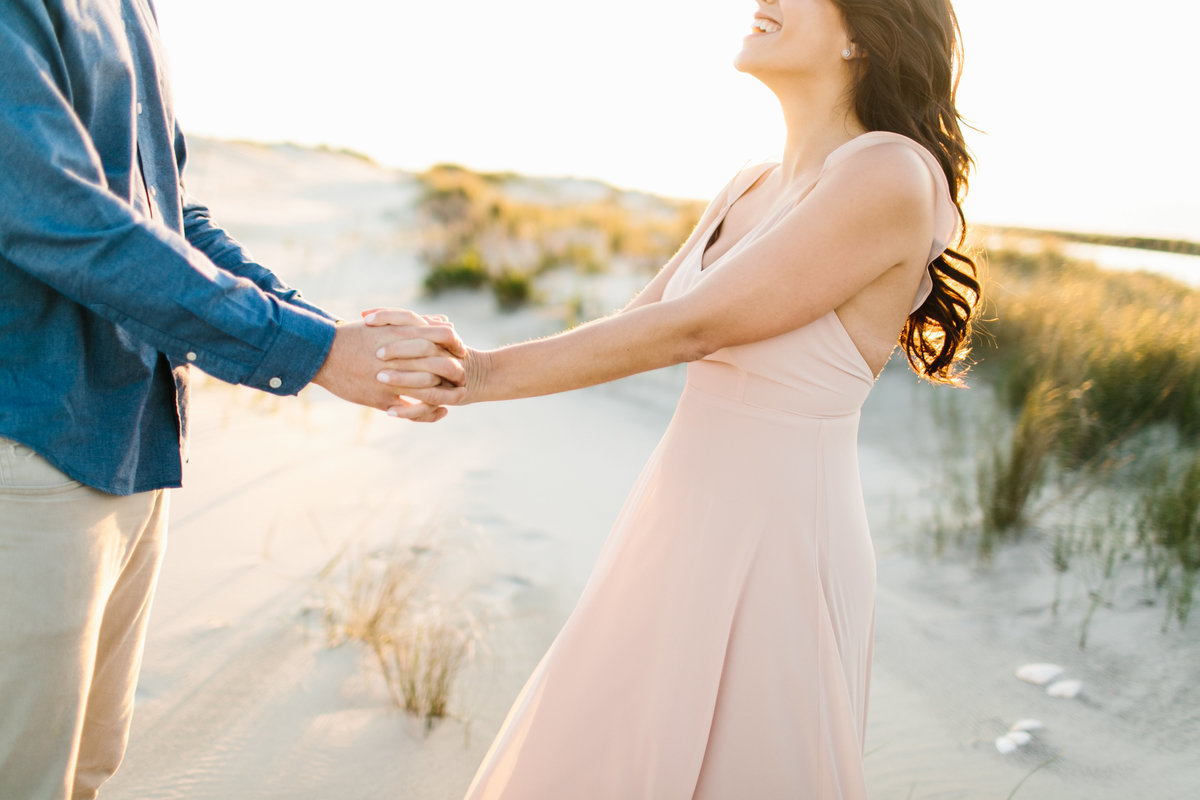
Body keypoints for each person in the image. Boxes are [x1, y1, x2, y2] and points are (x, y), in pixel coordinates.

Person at [370, 0, 982, 796]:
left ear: (865, 31)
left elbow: (693, 328)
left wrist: (480, 375)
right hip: (675, 522)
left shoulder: (889, 171)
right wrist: (462, 372)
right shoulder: (747, 184)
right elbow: (638, 328)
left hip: (780, 543)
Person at [0, 2, 460, 798]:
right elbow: (65, 221)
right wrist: (312, 354)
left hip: (130, 450)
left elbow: (172, 219)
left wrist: (330, 335)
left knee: (81, 775)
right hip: (27, 462)